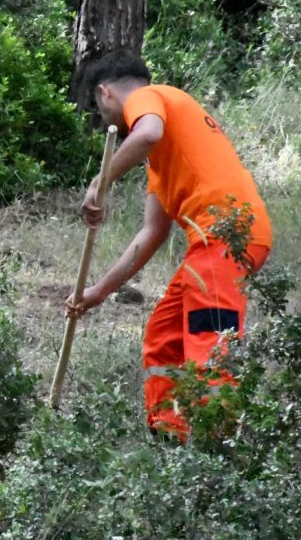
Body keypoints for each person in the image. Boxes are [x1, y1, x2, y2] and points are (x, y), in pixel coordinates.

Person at [66, 49, 271, 441]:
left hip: (225, 237)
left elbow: (146, 132)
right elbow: (151, 234)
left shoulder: (150, 97)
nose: (103, 118)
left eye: (98, 107)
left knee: (209, 343)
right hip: (215, 244)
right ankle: (170, 438)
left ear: (106, 94)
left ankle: (214, 449)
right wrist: (96, 292)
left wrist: (99, 183)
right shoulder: (163, 156)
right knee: (164, 335)